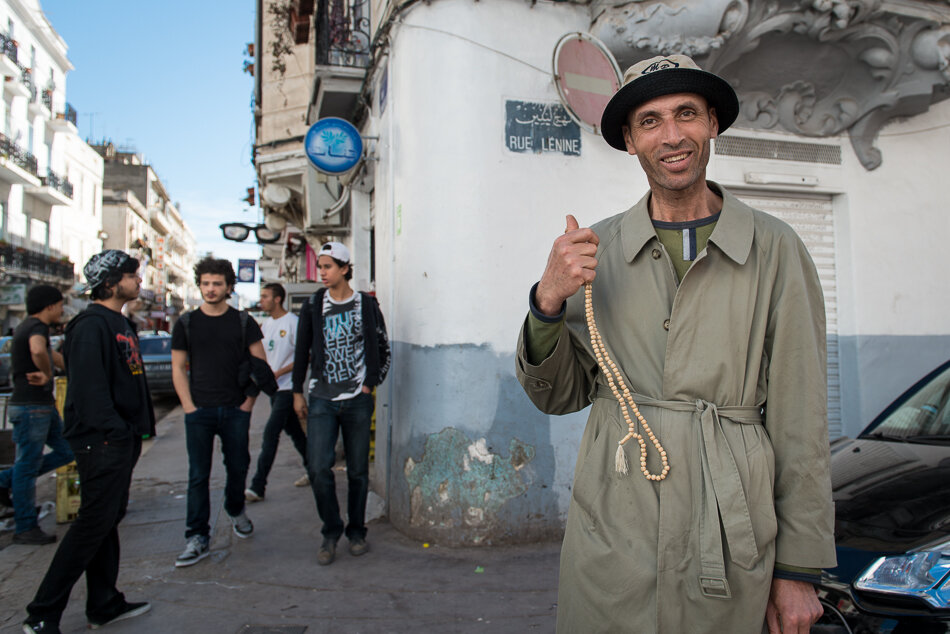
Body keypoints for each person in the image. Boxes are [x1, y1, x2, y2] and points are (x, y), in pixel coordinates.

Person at [515, 55, 836, 634]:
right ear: (630, 141)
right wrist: (548, 301)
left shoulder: (776, 248)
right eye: (650, 121)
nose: (671, 135)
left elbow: (801, 419)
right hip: (613, 526)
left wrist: (797, 570)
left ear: (712, 123)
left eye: (686, 113)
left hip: (730, 532)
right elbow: (557, 397)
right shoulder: (598, 249)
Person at [23, 250, 154, 633]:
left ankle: (104, 602)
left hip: (119, 440)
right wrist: (115, 432)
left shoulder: (118, 322)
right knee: (91, 524)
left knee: (106, 521)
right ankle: (41, 613)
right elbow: (90, 390)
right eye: (132, 275)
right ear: (112, 283)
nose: (139, 280)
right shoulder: (91, 325)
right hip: (102, 443)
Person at [292, 241, 390, 565]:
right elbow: (302, 350)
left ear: (345, 268)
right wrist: (296, 391)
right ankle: (331, 530)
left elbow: (383, 347)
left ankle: (357, 531)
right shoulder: (313, 305)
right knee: (319, 467)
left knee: (359, 472)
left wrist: (369, 385)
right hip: (322, 398)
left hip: (357, 401)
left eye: (328, 266)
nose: (321, 272)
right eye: (320, 266)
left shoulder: (366, 304)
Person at [171, 257, 266, 567]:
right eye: (206, 283)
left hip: (235, 410)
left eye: (217, 284)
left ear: (228, 287)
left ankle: (235, 508)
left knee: (238, 467)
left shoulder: (243, 322)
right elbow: (178, 368)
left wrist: (247, 404)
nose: (210, 289)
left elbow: (260, 366)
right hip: (199, 411)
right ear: (200, 284)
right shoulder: (186, 322)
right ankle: (197, 536)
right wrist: (188, 406)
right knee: (198, 475)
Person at [0, 285, 71, 545]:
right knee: (27, 468)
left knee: (66, 451)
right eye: (61, 304)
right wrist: (47, 375)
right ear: (49, 306)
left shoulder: (25, 326)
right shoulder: (37, 329)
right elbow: (39, 351)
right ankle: (25, 526)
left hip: (39, 406)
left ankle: (5, 480)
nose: (62, 309)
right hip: (33, 407)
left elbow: (52, 356)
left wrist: (73, 366)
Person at [245, 282, 309, 502]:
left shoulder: (293, 323)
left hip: (288, 388)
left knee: (271, 434)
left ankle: (257, 485)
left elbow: (304, 356)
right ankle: (316, 469)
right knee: (296, 434)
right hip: (274, 389)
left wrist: (280, 372)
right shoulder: (266, 325)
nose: (261, 300)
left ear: (277, 299)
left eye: (265, 296)